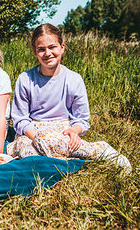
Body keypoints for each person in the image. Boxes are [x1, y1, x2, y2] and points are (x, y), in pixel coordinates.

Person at [7, 23, 131, 172]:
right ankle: (63, 161)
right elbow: (20, 118)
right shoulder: (25, 78)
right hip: (33, 130)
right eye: (41, 49)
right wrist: (36, 137)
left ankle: (100, 149)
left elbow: (81, 118)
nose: (47, 53)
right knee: (26, 152)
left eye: (52, 47)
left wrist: (74, 132)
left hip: (62, 129)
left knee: (63, 144)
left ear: (62, 47)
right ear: (35, 52)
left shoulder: (74, 79)